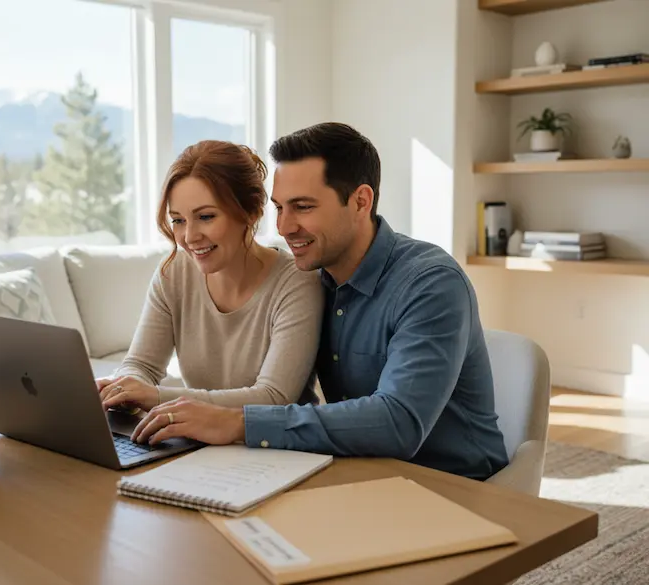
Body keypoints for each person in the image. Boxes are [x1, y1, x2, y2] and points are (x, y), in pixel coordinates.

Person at [129, 122, 510, 481]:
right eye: (280, 208)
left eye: (304, 207)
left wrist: (237, 422)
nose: (284, 227)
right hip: (359, 472)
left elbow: (399, 422)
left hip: (452, 485)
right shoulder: (317, 275)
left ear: (361, 201)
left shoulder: (431, 283)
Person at [96, 140, 324, 415]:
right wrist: (121, 388)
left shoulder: (297, 283)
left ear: (251, 213)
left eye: (205, 216)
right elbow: (142, 365)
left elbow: (273, 397)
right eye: (178, 220)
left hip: (276, 451)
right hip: (197, 445)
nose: (189, 237)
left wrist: (155, 397)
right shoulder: (174, 273)